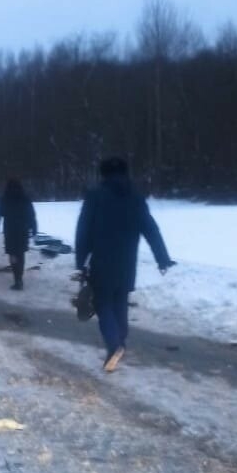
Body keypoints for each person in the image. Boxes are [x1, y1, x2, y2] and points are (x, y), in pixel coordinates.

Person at [75, 156, 175, 372]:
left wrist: (80, 261)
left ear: (103, 174)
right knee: (120, 300)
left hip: (102, 261)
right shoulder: (136, 198)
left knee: (103, 303)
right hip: (127, 263)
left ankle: (114, 345)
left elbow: (83, 230)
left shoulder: (95, 196)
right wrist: (162, 257)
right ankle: (120, 339)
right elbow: (151, 229)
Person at [0, 179, 38, 291]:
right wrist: (34, 228)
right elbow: (31, 215)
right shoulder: (25, 199)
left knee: (13, 254)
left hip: (10, 231)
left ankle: (17, 278)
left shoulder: (5, 199)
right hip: (22, 231)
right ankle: (19, 277)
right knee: (21, 254)